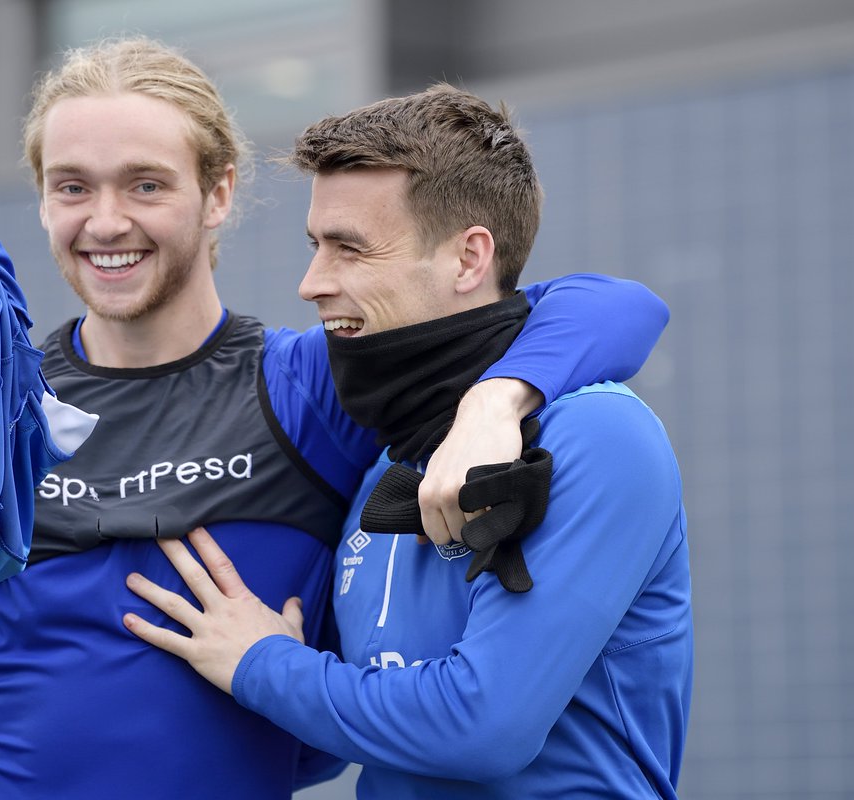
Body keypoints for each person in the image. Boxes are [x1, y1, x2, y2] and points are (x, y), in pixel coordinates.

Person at [0, 39, 669, 800]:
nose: (106, 220)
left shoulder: (314, 382)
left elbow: (608, 306)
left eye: (147, 184)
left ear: (221, 194)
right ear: (42, 200)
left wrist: (494, 400)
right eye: (72, 186)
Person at [124, 84, 691, 798]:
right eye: (315, 245)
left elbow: (482, 727)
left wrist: (264, 664)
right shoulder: (385, 457)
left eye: (349, 249)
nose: (311, 282)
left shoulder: (597, 435)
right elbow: (331, 735)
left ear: (467, 259)